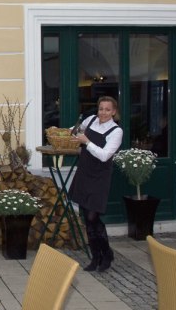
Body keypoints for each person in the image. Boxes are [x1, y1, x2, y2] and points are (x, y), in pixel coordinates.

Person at [68, 96, 123, 272]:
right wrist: (70, 131)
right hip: (84, 173)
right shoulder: (91, 120)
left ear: (114, 112)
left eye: (107, 110)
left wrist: (87, 142)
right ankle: (96, 257)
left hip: (99, 178)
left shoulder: (116, 131)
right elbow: (76, 129)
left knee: (93, 217)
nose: (103, 113)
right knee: (87, 218)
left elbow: (105, 155)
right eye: (101, 109)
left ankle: (106, 253)